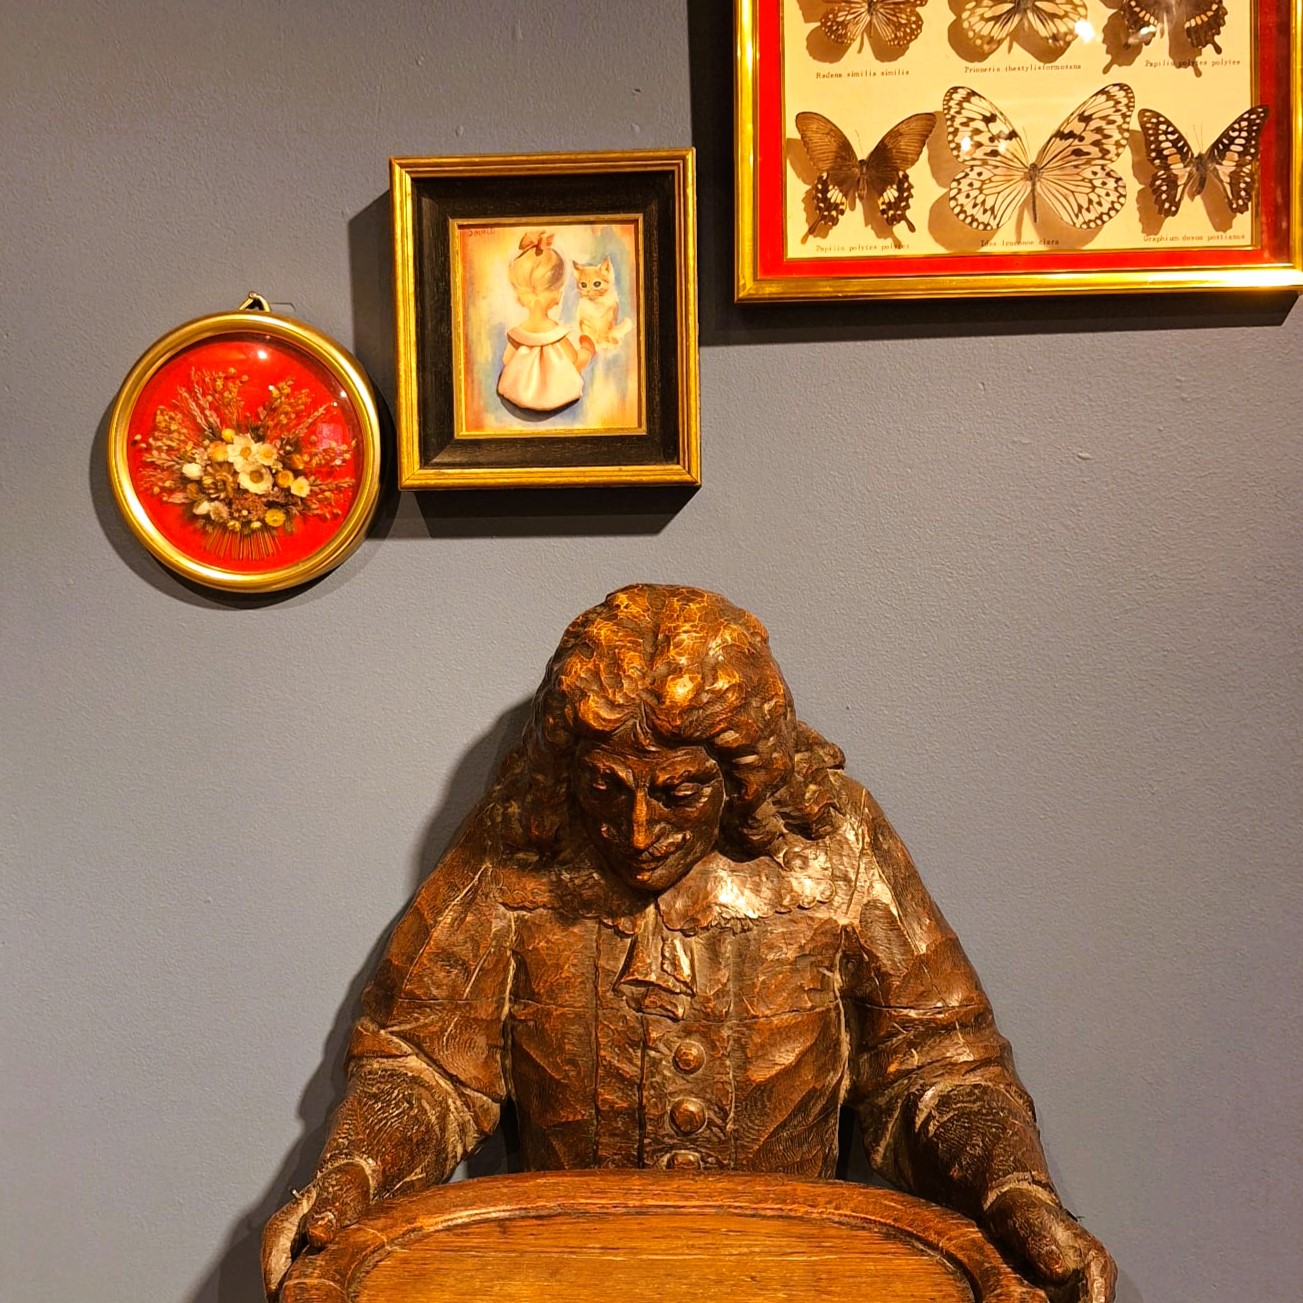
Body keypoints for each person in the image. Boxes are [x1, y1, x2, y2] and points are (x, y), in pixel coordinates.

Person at [263, 584, 1116, 1303]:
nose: (636, 830)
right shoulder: (521, 847)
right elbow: (423, 1063)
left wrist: (1013, 1188)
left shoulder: (833, 846)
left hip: (795, 1274)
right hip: (566, 1273)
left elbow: (935, 1064)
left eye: (678, 792)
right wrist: (353, 1172)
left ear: (741, 776)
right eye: (605, 788)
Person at [496, 229, 594, 413]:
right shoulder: (555, 331)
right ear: (556, 296)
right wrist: (582, 355)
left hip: (519, 392)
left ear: (520, 297)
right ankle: (588, 350)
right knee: (580, 359)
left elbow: (507, 359)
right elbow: (572, 359)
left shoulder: (518, 331)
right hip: (555, 392)